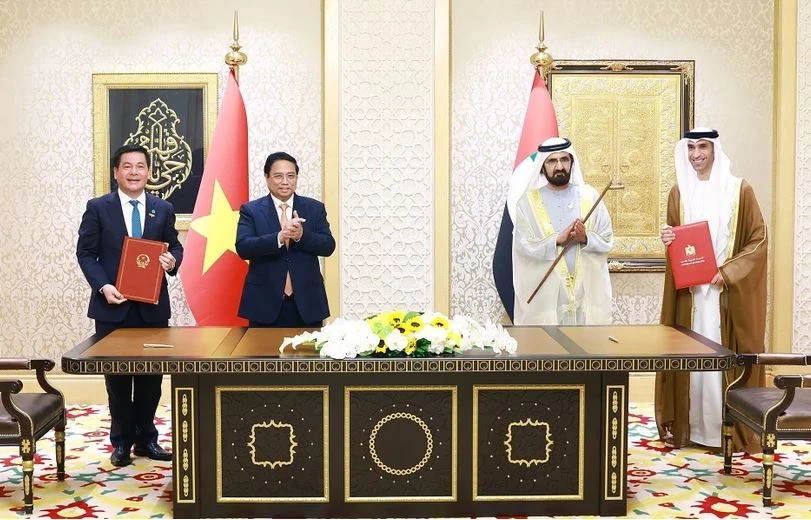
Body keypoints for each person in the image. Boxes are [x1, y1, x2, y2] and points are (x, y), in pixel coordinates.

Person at [655, 128, 767, 453]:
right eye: (690, 148)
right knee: (692, 361)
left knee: (719, 361)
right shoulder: (678, 193)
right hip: (690, 298)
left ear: (715, 149)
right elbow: (678, 246)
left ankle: (726, 430)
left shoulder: (739, 190)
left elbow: (759, 240)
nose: (696, 155)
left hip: (724, 297)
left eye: (702, 146)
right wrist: (669, 240)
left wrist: (728, 273)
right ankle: (693, 429)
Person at [77, 143, 183, 467]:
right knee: (118, 379)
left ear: (149, 172)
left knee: (151, 378)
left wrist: (171, 261)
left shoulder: (162, 209)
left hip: (152, 308)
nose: (134, 172)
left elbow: (175, 247)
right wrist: (103, 286)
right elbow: (85, 253)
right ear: (116, 172)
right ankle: (121, 441)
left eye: (140, 166)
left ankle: (147, 439)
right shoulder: (98, 207)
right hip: (113, 306)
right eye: (127, 166)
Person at [510, 137, 614, 325]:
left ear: (571, 162)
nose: (559, 166)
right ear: (542, 166)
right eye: (552, 161)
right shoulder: (527, 204)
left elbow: (607, 239)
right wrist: (557, 239)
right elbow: (522, 247)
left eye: (564, 160)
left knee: (587, 351)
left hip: (585, 298)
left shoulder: (589, 196)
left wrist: (585, 238)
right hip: (547, 302)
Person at [236, 152, 336, 327]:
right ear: (267, 177)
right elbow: (243, 247)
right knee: (262, 353)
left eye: (291, 176)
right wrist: (279, 237)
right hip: (264, 302)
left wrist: (301, 236)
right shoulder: (251, 210)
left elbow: (328, 246)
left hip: (307, 303)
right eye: (278, 176)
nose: (285, 181)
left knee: (309, 354)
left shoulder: (314, 208)